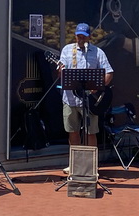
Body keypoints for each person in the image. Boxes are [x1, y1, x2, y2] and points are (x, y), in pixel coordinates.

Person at [57, 22, 113, 172]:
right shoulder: (67, 50)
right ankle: (76, 165)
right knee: (72, 130)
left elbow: (109, 72)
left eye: (84, 36)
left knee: (90, 131)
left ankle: (91, 165)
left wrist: (98, 87)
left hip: (90, 101)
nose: (80, 38)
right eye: (78, 35)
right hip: (70, 98)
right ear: (75, 35)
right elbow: (60, 74)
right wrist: (60, 71)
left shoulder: (97, 52)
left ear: (89, 37)